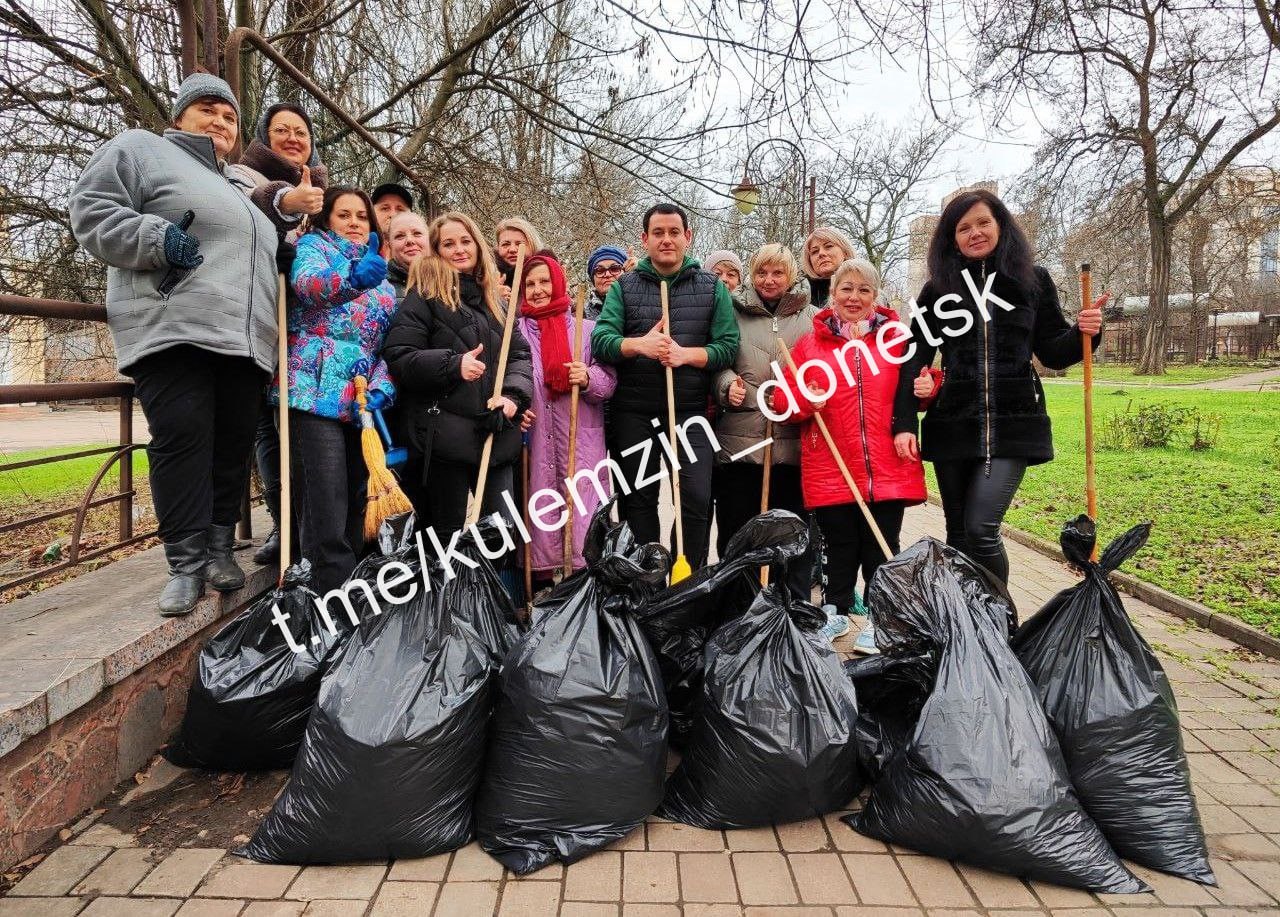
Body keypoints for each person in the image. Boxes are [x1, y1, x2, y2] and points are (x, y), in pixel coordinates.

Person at [69, 73, 278, 616]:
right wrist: (156, 239)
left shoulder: (239, 185)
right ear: (180, 115)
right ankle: (184, 563)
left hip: (243, 338)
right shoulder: (141, 150)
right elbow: (90, 211)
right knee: (183, 437)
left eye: (230, 115)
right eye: (208, 109)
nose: (220, 122)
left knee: (230, 444)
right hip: (174, 324)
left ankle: (215, 547)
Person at [892, 188, 1104, 587]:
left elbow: (1054, 350)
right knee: (957, 535)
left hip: (1014, 423)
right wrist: (904, 420)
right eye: (963, 227)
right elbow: (913, 353)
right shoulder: (940, 290)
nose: (975, 233)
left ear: (1001, 226)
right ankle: (965, 626)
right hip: (953, 423)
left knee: (981, 529)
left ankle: (999, 622)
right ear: (951, 238)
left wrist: (1084, 333)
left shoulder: (1031, 280)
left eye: (983, 223)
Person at [774, 258, 933, 649]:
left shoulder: (897, 339)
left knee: (881, 545)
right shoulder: (810, 344)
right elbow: (782, 399)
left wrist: (931, 388)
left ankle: (882, 618)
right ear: (832, 294)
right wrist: (804, 399)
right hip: (831, 465)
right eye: (846, 288)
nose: (854, 297)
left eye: (864, 289)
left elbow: (914, 389)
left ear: (875, 296)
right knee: (838, 545)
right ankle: (835, 612)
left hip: (887, 464)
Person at [592, 202, 739, 571]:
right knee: (638, 498)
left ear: (688, 237)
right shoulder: (624, 286)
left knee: (694, 495)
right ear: (645, 239)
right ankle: (646, 577)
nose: (667, 239)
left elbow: (727, 346)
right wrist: (639, 344)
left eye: (674, 232)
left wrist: (685, 355)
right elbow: (602, 340)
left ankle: (686, 575)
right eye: (658, 233)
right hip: (634, 413)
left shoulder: (711, 287)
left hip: (689, 412)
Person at [382, 211, 533, 538]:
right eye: (448, 244)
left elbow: (519, 355)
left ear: (477, 245)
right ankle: (447, 592)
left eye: (465, 241)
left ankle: (491, 591)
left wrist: (512, 398)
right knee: (445, 537)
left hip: (495, 433)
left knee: (502, 534)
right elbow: (400, 355)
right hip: (444, 439)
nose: (459, 249)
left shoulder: (496, 300)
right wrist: (453, 364)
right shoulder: (424, 296)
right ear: (436, 251)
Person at [282, 186, 398, 593]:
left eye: (361, 217)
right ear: (327, 218)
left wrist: (383, 385)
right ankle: (325, 599)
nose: (353, 223)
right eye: (344, 215)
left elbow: (387, 343)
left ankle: (348, 592)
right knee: (324, 502)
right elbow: (309, 286)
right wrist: (352, 279)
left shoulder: (383, 280)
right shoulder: (312, 248)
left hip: (359, 401)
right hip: (312, 392)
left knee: (353, 498)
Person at [231, 101, 330, 568]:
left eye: (301, 132)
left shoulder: (322, 190)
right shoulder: (243, 177)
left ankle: (310, 521)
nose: (293, 138)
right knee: (267, 428)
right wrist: (285, 203)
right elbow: (244, 214)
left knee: (299, 426)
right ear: (264, 138)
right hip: (264, 316)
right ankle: (282, 522)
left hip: (310, 325)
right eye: (282, 131)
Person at [713, 243, 815, 596]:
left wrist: (807, 390)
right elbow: (717, 361)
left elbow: (822, 370)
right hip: (741, 442)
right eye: (761, 272)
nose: (769, 280)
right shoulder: (730, 312)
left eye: (778, 273)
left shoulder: (812, 318)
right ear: (751, 275)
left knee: (791, 532)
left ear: (791, 277)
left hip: (792, 445)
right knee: (737, 529)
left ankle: (791, 606)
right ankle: (736, 603)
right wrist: (726, 385)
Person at [517, 251, 616, 584]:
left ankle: (583, 594)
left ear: (558, 282)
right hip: (535, 442)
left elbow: (610, 380)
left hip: (580, 443)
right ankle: (540, 596)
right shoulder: (513, 334)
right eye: (530, 283)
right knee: (540, 521)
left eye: (544, 281)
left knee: (582, 524)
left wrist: (587, 377)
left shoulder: (587, 331)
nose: (537, 289)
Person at [802, 226, 856, 308]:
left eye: (828, 246)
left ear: (845, 252)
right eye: (815, 251)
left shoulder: (868, 288)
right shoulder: (797, 295)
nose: (821, 253)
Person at [494, 217, 546, 296]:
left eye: (519, 244)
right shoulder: (486, 281)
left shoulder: (549, 279)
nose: (512, 249)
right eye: (505, 244)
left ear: (533, 246)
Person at [387, 210, 429, 301]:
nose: (409, 240)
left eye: (417, 233)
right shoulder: (377, 288)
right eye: (399, 236)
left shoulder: (451, 283)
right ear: (390, 245)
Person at [585, 244, 629, 320]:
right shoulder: (581, 316)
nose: (607, 274)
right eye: (600, 270)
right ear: (593, 279)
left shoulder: (643, 305)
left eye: (614, 269)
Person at [370, 183, 414, 257]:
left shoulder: (426, 255)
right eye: (385, 208)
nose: (393, 215)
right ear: (371, 213)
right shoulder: (355, 252)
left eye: (400, 210)